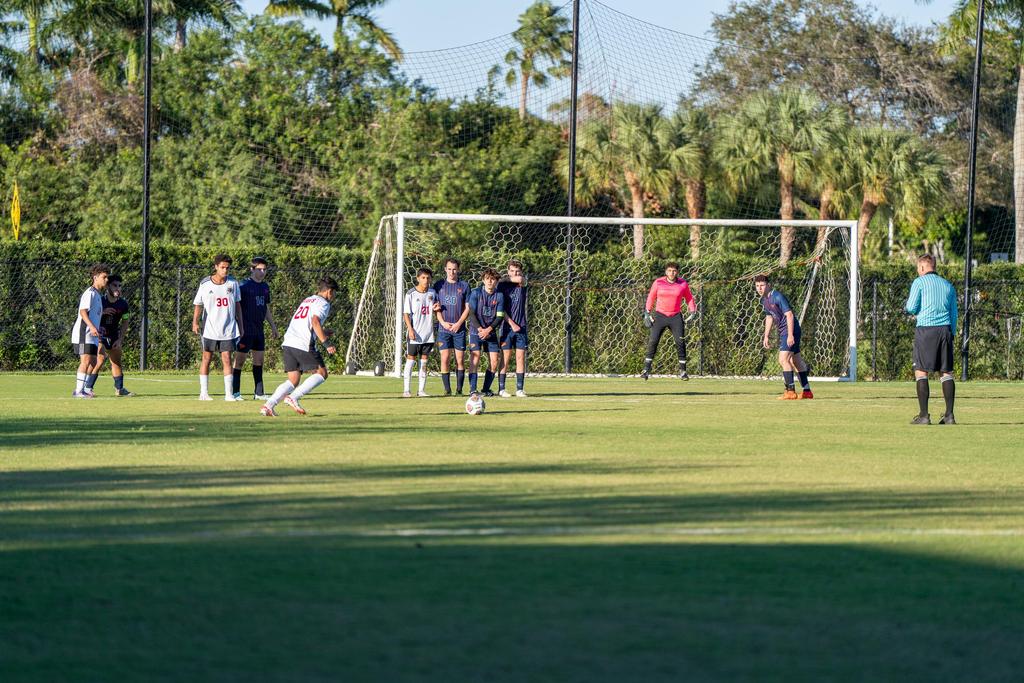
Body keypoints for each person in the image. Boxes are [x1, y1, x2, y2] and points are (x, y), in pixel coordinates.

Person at [260, 277, 339, 417]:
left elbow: (308, 323)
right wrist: (326, 343)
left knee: (293, 380)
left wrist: (323, 332)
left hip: (289, 342)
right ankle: (293, 397)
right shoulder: (323, 303)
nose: (334, 296)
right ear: (329, 291)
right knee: (321, 373)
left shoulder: (308, 299)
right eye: (334, 293)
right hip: (303, 343)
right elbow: (315, 321)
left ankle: (268, 406)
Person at [905, 254, 958, 425]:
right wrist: (952, 333)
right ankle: (949, 415)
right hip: (945, 330)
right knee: (946, 372)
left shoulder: (919, 282)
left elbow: (911, 307)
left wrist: (918, 309)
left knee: (921, 371)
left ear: (922, 267)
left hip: (926, 330)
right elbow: (954, 314)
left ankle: (924, 416)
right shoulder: (948, 285)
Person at [192, 254, 244, 402]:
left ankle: (229, 394)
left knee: (227, 358)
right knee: (206, 358)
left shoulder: (233, 283)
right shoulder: (205, 284)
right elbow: (198, 304)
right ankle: (203, 393)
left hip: (228, 329)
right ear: (216, 267)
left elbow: (238, 305)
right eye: (222, 267)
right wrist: (195, 322)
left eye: (227, 268)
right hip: (210, 329)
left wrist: (241, 325)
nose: (225, 270)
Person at [754, 274, 812, 400]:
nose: (759, 288)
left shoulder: (777, 296)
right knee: (796, 361)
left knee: (783, 360)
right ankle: (807, 392)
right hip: (785, 331)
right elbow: (769, 317)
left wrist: (790, 335)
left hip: (790, 330)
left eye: (762, 285)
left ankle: (790, 391)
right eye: (757, 286)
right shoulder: (764, 300)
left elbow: (789, 315)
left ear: (768, 285)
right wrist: (766, 336)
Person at [232, 257, 279, 400]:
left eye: (265, 269)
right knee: (239, 362)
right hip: (245, 331)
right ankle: (235, 393)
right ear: (252, 269)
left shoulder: (265, 287)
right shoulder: (243, 286)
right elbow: (235, 307)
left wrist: (273, 326)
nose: (262, 272)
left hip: (259, 330)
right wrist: (238, 327)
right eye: (259, 269)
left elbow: (265, 308)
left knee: (259, 362)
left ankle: (259, 393)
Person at [642, 262, 697, 380]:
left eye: (674, 271)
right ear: (666, 272)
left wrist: (692, 312)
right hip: (660, 316)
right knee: (653, 341)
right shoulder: (658, 282)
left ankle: (683, 372)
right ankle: (646, 370)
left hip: (675, 317)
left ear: (677, 272)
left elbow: (689, 298)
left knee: (680, 342)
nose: (671, 273)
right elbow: (651, 297)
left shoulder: (683, 284)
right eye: (669, 270)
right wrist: (647, 313)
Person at [89, 274, 133, 397]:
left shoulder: (123, 304)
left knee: (116, 362)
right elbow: (90, 315)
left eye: (119, 286)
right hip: (99, 334)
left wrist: (120, 339)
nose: (117, 288)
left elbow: (125, 322)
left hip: (114, 336)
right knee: (100, 360)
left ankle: (119, 389)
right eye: (114, 285)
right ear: (108, 286)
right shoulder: (100, 301)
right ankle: (88, 388)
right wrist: (102, 312)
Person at [70, 263, 110, 398]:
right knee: (85, 361)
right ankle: (78, 391)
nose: (106, 280)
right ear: (95, 277)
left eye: (107, 277)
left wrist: (98, 327)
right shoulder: (90, 293)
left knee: (93, 362)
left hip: (92, 334)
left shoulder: (98, 295)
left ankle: (85, 390)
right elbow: (83, 312)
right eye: (104, 277)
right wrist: (92, 327)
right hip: (84, 332)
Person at [433, 258, 471, 395]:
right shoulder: (439, 285)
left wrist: (459, 323)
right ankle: (447, 390)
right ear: (445, 269)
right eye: (449, 269)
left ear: (458, 270)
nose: (451, 272)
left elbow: (467, 308)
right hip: (444, 329)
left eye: (454, 269)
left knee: (460, 360)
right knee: (445, 358)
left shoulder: (464, 286)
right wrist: (442, 322)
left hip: (459, 329)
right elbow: (436, 307)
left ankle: (459, 390)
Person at [467, 268, 505, 396]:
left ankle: (485, 389)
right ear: (483, 280)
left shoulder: (499, 296)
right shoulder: (476, 293)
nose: (490, 281)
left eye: (492, 279)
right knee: (475, 358)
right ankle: (473, 390)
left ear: (496, 281)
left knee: (494, 362)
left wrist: (488, 330)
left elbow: (499, 316)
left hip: (491, 332)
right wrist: (480, 330)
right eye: (487, 279)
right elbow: (471, 313)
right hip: (476, 331)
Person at [403, 267, 439, 397]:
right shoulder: (411, 294)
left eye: (428, 278)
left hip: (428, 334)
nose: (426, 280)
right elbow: (406, 314)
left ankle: (421, 390)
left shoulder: (433, 293)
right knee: (411, 360)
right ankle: (406, 390)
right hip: (415, 333)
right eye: (423, 278)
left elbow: (437, 307)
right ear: (418, 278)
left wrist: (437, 307)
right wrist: (410, 329)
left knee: (424, 362)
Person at [497, 259, 529, 398]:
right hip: (506, 327)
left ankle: (519, 389)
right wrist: (511, 323)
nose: (515, 274)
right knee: (505, 358)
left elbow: (521, 279)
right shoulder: (502, 286)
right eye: (512, 271)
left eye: (517, 271)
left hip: (521, 326)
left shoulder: (522, 283)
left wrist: (511, 278)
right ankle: (501, 389)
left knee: (520, 358)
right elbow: (501, 309)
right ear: (508, 271)